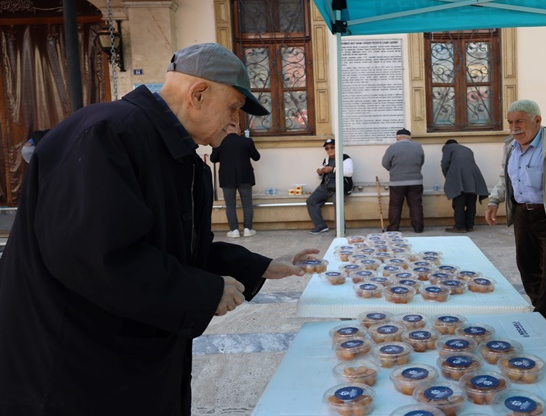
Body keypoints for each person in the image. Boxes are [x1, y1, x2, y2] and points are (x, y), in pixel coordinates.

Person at [0, 43, 320, 415]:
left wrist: (261, 266)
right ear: (197, 94)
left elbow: (177, 247)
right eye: (233, 107)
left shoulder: (179, 155)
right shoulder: (107, 134)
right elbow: (92, 255)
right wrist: (200, 291)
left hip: (127, 361)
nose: (237, 122)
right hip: (74, 367)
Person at [485, 99, 546, 325]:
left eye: (520, 121)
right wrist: (494, 200)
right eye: (510, 122)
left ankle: (542, 317)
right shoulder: (510, 145)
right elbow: (505, 180)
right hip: (523, 213)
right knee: (526, 264)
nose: (514, 127)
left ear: (537, 120)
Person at [210, 126, 261, 238]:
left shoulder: (220, 142)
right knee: (247, 203)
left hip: (227, 178)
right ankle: (248, 229)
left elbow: (213, 159)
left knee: (230, 205)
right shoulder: (247, 141)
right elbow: (256, 157)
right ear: (239, 131)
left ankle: (234, 231)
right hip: (245, 177)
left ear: (226, 131)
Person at [306, 138, 353, 235]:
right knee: (311, 201)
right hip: (326, 186)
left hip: (340, 185)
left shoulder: (345, 158)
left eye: (332, 147)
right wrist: (319, 173)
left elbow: (349, 172)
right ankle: (320, 226)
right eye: (327, 148)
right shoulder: (326, 160)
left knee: (337, 203)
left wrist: (333, 169)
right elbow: (320, 178)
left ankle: (340, 231)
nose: (329, 150)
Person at [440, 139, 489, 233]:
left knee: (459, 204)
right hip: (474, 177)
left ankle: (460, 227)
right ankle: (470, 225)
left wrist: (449, 177)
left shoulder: (447, 148)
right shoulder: (467, 149)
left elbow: (444, 164)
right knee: (471, 203)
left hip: (458, 178)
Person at [382, 128, 425, 233]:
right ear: (410, 138)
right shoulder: (418, 147)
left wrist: (393, 169)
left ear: (398, 137)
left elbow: (385, 163)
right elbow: (421, 162)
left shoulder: (392, 148)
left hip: (397, 182)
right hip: (416, 181)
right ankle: (418, 227)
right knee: (416, 205)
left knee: (395, 205)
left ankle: (393, 227)